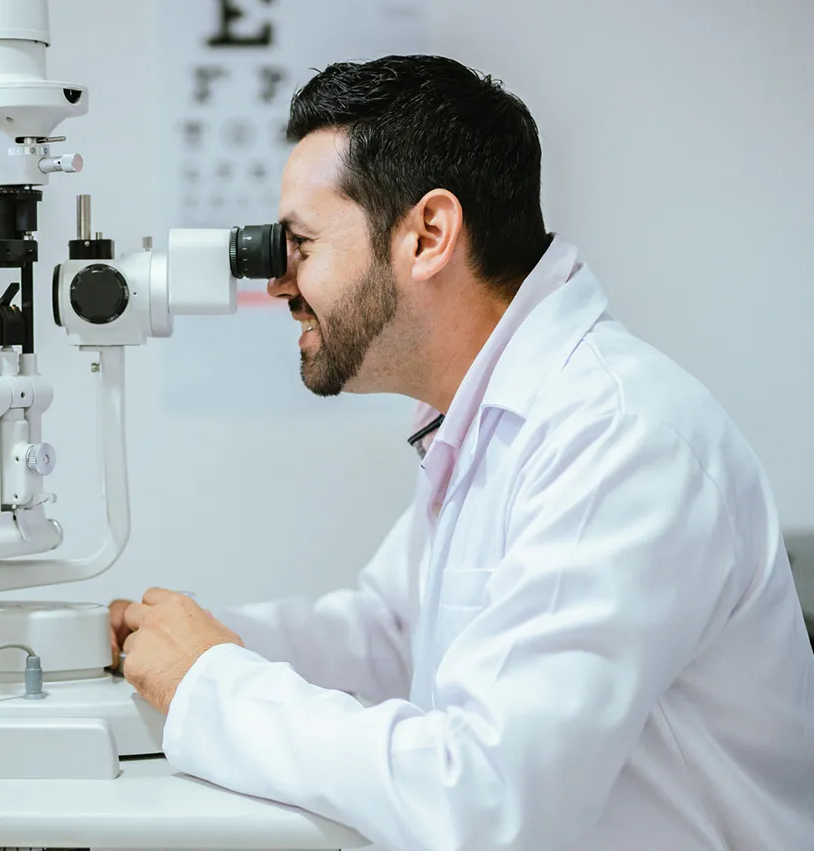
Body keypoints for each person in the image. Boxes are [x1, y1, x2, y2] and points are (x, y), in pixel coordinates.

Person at [111, 55, 814, 850]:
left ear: (429, 235)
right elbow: (392, 632)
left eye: (300, 244)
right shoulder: (489, 417)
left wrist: (211, 683)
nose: (278, 283)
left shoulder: (618, 439)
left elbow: (486, 801)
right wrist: (187, 644)